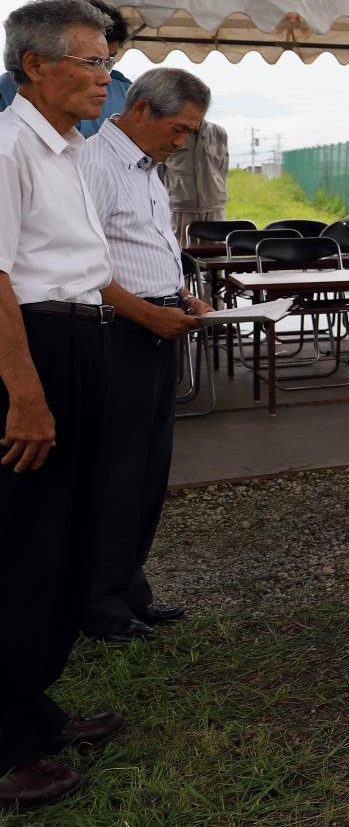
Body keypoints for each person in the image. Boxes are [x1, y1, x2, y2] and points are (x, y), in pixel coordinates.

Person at [0, 0, 126, 811]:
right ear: (35, 66)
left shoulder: (71, 150)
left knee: (69, 535)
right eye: (90, 62)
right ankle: (6, 746)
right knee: (21, 546)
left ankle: (31, 702)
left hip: (80, 339)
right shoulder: (9, 146)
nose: (104, 77)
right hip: (34, 349)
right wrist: (24, 392)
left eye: (107, 62)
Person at [78, 69, 209, 644]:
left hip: (158, 324)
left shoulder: (149, 170)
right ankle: (97, 605)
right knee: (116, 471)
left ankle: (131, 591)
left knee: (150, 469)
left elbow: (149, 245)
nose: (182, 142)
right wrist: (146, 313)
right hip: (119, 331)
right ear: (140, 111)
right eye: (178, 129)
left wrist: (181, 295)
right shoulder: (94, 165)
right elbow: (84, 266)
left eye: (190, 133)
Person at [0, 0, 131, 141]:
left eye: (108, 62)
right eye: (93, 62)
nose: (107, 78)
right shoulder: (7, 153)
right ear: (35, 66)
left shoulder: (73, 148)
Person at [165, 117, 229, 242]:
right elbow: (159, 172)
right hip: (180, 208)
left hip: (214, 207)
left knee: (215, 255)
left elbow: (222, 169)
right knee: (181, 254)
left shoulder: (219, 132)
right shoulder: (170, 132)